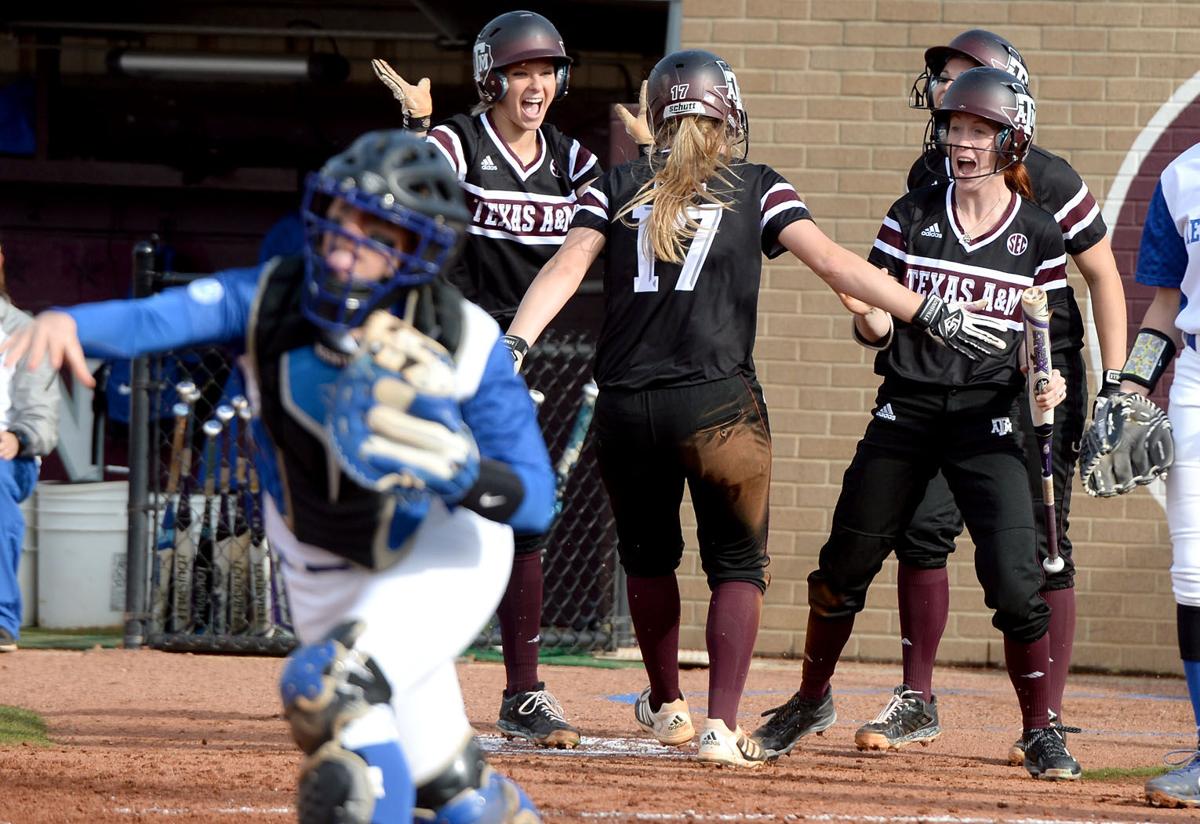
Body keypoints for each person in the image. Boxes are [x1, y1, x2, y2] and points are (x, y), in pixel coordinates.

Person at [2, 130, 553, 824]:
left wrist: (464, 472)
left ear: (419, 252)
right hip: (320, 564)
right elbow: (154, 318)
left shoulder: (465, 336)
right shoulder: (270, 298)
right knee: (444, 793)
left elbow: (536, 503)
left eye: (377, 230)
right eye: (342, 217)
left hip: (441, 553)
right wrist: (67, 323)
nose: (347, 242)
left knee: (330, 692)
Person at [505, 49, 1006, 768]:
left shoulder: (611, 184)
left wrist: (518, 342)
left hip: (627, 406)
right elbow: (834, 261)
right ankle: (720, 725)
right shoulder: (758, 185)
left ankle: (667, 702)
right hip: (717, 407)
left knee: (647, 558)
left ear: (657, 116)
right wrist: (929, 311)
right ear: (727, 113)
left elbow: (566, 265)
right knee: (737, 563)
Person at [749, 66, 1083, 781]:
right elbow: (874, 320)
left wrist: (1045, 379)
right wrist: (864, 312)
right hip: (907, 411)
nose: (962, 143)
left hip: (990, 420)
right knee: (842, 566)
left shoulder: (1036, 232)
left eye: (979, 131)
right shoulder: (912, 215)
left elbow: (1041, 333)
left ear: (1010, 139)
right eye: (954, 128)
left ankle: (1039, 728)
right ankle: (811, 699)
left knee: (1017, 583)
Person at [846, 29, 1128, 762]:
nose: (947, 94)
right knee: (921, 528)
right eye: (944, 84)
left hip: (1036, 374)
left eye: (964, 79)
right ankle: (917, 699)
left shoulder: (1051, 178)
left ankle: (1047, 718)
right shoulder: (931, 173)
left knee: (1043, 546)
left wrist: (1117, 384)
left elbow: (1102, 277)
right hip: (944, 377)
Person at [371, 9, 600, 748]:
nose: (535, 85)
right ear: (491, 79)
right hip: (453, 352)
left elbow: (614, 233)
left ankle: (522, 692)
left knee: (523, 520)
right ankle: (393, 673)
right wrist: (414, 130)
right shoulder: (458, 140)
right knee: (439, 509)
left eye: (546, 71)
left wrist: (659, 161)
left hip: (529, 361)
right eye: (520, 72)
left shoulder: (576, 161)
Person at [1100, 143, 1200, 808]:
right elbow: (1166, 304)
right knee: (1194, 570)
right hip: (1198, 377)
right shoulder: (1183, 174)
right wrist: (1129, 387)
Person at [0, 244, 58, 652]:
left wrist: (17, 436)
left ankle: (1, 618)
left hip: (9, 457)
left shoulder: (23, 331)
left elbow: (41, 418)